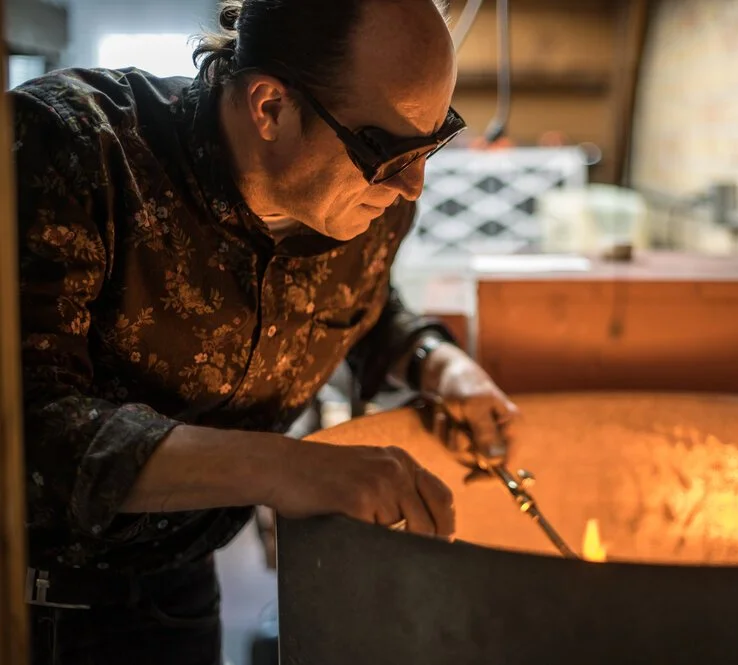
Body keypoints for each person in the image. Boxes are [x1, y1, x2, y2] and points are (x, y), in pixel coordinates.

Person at [14, 1, 519, 663]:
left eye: (433, 141)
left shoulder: (364, 205)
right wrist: (286, 469)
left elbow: (360, 306)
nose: (413, 186)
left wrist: (435, 361)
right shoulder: (70, 148)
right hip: (36, 596)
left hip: (181, 577)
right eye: (390, 151)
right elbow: (30, 429)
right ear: (271, 107)